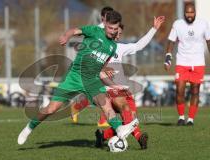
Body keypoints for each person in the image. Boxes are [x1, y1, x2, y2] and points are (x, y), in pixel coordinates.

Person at [17, 10, 139, 145]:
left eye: (115, 29)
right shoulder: (93, 31)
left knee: (107, 106)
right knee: (51, 109)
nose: (112, 31)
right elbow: (74, 31)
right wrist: (66, 36)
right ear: (104, 24)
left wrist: (112, 84)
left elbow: (100, 68)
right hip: (74, 76)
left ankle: (119, 129)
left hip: (92, 80)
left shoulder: (112, 46)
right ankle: (30, 127)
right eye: (110, 28)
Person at [70, 16, 165, 149]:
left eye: (120, 33)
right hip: (109, 89)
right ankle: (139, 138)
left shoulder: (119, 47)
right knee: (126, 111)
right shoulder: (99, 46)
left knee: (129, 119)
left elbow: (139, 45)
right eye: (116, 32)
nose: (118, 35)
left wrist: (154, 29)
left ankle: (102, 136)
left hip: (124, 89)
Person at [164, 2, 210, 126]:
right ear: (184, 13)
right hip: (182, 61)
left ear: (195, 12)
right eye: (187, 12)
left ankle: (190, 119)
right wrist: (168, 58)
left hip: (198, 62)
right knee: (179, 89)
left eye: (192, 12)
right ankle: (180, 117)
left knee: (195, 91)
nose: (189, 15)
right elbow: (171, 41)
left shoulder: (203, 24)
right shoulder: (177, 24)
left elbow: (208, 41)